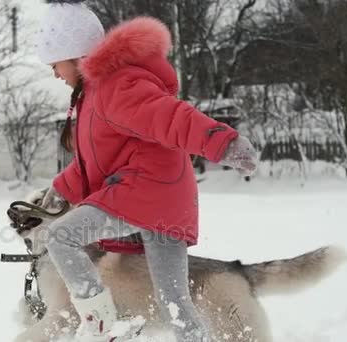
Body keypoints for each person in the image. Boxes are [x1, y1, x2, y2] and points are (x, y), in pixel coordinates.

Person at [35, 1, 258, 341]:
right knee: (175, 302)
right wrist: (60, 190)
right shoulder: (94, 95)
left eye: (55, 64)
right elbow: (94, 164)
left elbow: (171, 117)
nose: (54, 74)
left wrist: (222, 142)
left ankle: (102, 326)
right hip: (167, 198)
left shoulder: (115, 87)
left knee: (61, 237)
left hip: (142, 192)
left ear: (75, 53)